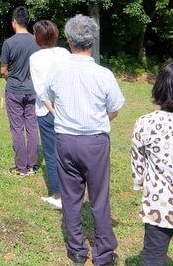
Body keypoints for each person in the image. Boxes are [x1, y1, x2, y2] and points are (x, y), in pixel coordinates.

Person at [43, 14, 124, 266]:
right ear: (93, 39)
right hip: (95, 142)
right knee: (99, 198)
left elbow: (46, 97)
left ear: (68, 40)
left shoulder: (56, 71)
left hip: (65, 140)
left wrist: (59, 114)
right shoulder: (103, 74)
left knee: (70, 196)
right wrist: (100, 120)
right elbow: (115, 107)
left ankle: (77, 249)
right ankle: (103, 253)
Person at [131, 59, 173, 266]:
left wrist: (139, 184)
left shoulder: (145, 122)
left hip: (159, 204)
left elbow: (138, 163)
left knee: (153, 257)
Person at [29, 20, 70, 209]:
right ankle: (71, 191)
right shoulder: (64, 53)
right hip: (67, 108)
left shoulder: (36, 58)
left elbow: (40, 89)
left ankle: (58, 195)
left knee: (52, 154)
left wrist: (53, 110)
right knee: (67, 153)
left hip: (47, 111)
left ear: (38, 37)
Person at [0, 6, 39, 176]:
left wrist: (12, 78)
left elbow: (3, 70)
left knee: (17, 128)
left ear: (14, 22)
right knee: (32, 126)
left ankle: (21, 167)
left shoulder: (8, 43)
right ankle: (32, 165)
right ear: (28, 22)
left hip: (14, 90)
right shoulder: (37, 41)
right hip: (33, 90)